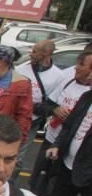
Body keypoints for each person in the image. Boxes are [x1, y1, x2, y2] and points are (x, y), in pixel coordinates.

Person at [32, 52, 92, 196]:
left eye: (81, 65)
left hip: (77, 157)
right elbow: (44, 105)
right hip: (53, 141)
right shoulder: (68, 81)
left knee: (59, 190)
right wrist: (55, 110)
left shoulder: (87, 95)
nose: (75, 68)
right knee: (38, 180)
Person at [15, 39, 66, 179]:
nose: (31, 54)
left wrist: (38, 108)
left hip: (32, 122)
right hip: (14, 117)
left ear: (47, 53)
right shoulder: (21, 69)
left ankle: (10, 185)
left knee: (18, 157)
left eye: (35, 51)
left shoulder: (59, 76)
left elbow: (53, 103)